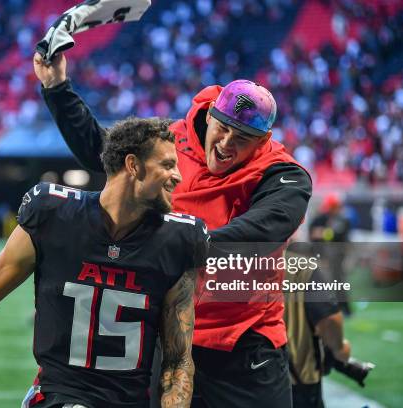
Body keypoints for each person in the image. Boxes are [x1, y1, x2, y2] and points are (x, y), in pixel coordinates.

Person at [34, 51, 312, 407]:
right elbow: (105, 153)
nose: (227, 143)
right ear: (211, 114)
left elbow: (263, 230)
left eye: (242, 137)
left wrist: (175, 244)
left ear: (263, 140)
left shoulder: (282, 174)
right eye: (223, 128)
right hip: (169, 333)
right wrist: (57, 87)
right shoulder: (169, 140)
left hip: (243, 339)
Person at [0, 117, 209, 408]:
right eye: (168, 165)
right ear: (133, 166)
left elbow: (177, 359)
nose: (178, 177)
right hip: (58, 397)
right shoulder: (55, 215)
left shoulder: (178, 239)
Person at [284, 250, 351, 408]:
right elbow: (329, 319)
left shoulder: (224, 265)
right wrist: (339, 349)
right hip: (295, 378)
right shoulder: (301, 267)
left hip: (233, 383)